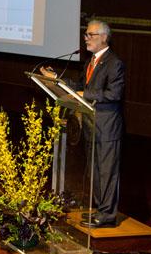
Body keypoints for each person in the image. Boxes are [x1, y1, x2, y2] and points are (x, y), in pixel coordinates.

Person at [40, 20, 125, 228]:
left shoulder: (115, 63)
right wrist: (57, 80)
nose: (86, 38)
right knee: (95, 171)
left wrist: (84, 93)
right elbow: (78, 86)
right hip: (90, 124)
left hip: (106, 127)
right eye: (86, 35)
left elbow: (114, 94)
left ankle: (108, 215)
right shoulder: (90, 62)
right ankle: (99, 210)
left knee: (107, 172)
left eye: (91, 35)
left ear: (104, 37)